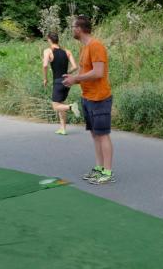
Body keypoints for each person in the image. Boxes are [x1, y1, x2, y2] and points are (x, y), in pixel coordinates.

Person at [62, 15, 115, 185]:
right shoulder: (84, 48)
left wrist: (76, 79)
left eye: (73, 27)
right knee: (95, 135)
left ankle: (107, 172)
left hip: (100, 98)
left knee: (103, 135)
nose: (71, 30)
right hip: (88, 97)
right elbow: (85, 73)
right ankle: (99, 168)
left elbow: (98, 72)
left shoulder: (95, 45)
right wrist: (72, 79)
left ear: (79, 29)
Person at [42, 32, 80, 135]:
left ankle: (71, 107)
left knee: (55, 106)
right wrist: (67, 73)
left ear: (49, 40)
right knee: (61, 103)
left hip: (58, 82)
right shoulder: (67, 51)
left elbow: (45, 65)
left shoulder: (48, 51)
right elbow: (75, 67)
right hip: (67, 81)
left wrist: (45, 79)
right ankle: (63, 129)